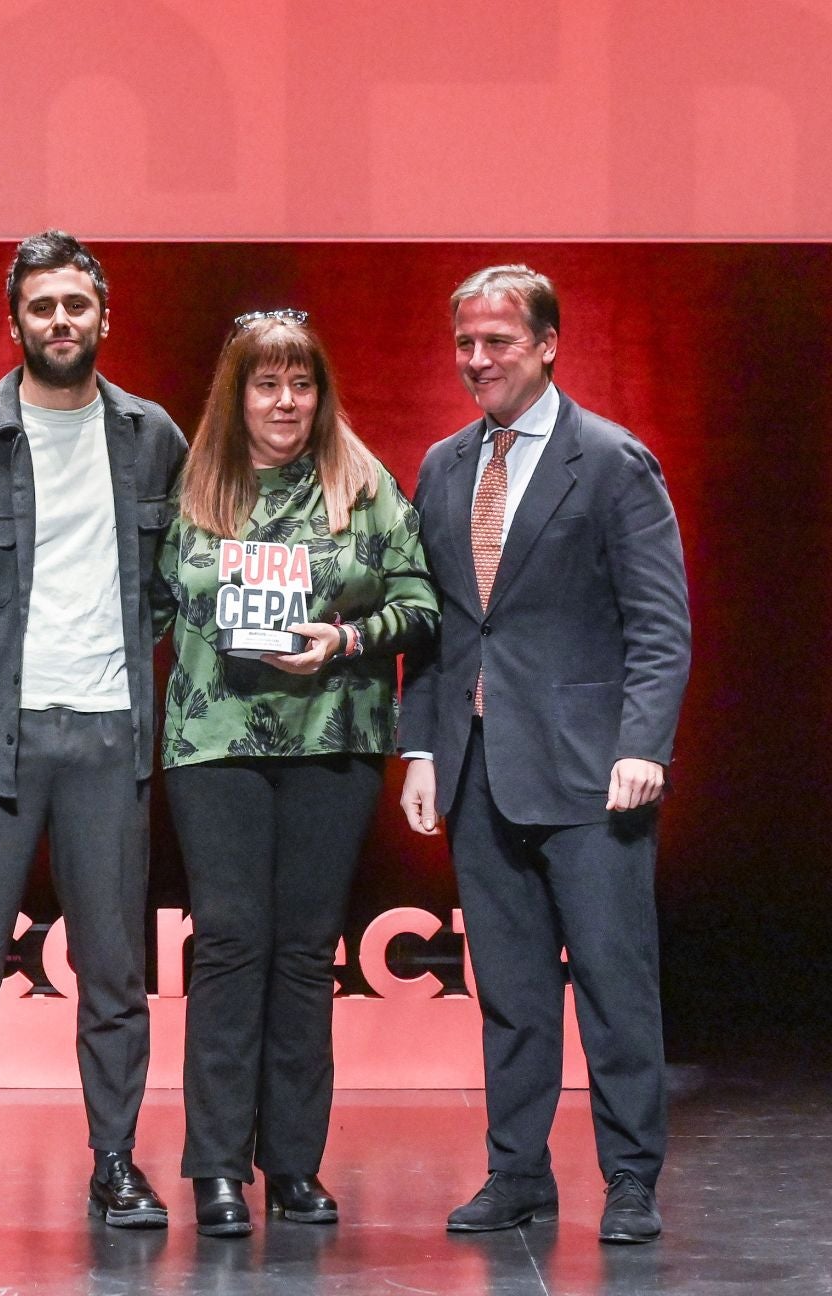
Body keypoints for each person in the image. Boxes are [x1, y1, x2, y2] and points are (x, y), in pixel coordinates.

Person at [0, 231, 186, 1231]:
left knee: (115, 976)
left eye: (76, 304)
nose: (60, 321)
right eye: (41, 306)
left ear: (104, 316)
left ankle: (116, 1165)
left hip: (107, 740)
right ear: (15, 321)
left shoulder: (153, 438)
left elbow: (170, 583)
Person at [398, 265, 690, 1244]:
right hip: (479, 767)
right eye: (466, 343)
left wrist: (643, 745)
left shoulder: (610, 461)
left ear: (549, 345)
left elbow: (659, 625)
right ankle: (517, 1173)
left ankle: (631, 1179)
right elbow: (439, 627)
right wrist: (422, 749)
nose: (478, 359)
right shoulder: (445, 465)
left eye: (499, 342)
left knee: (613, 983)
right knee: (511, 992)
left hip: (592, 774)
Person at [157, 310, 437, 1237]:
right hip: (216, 744)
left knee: (307, 951)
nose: (286, 402)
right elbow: (149, 602)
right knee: (232, 943)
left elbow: (421, 604)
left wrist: (346, 638)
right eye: (267, 384)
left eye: (302, 384)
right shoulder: (194, 486)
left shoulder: (364, 483)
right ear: (237, 395)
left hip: (334, 739)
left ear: (322, 393)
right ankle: (216, 1169)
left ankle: (293, 1166)